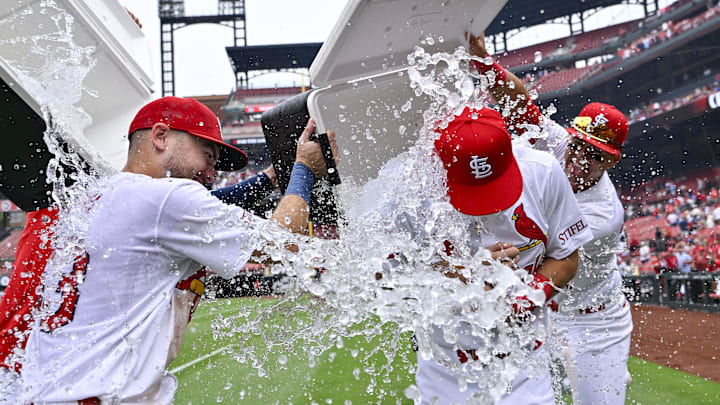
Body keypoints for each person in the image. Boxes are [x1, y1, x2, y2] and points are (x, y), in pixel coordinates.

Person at [14, 96, 338, 403]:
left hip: (51, 388)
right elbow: (283, 244)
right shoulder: (167, 198)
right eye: (207, 155)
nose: (213, 173)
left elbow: (212, 204)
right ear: (160, 136)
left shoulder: (95, 196)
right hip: (102, 396)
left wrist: (271, 177)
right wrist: (304, 170)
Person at [467, 32, 634, 405]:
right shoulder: (561, 144)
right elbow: (523, 109)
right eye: (578, 145)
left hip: (594, 320)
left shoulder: (604, 213)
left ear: (612, 161)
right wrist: (485, 64)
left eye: (595, 154)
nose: (579, 157)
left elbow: (551, 258)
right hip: (549, 307)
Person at [408, 106, 592, 404]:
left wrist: (523, 299)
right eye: (473, 190)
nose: (488, 205)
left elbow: (567, 258)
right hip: (447, 365)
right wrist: (461, 275)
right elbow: (384, 282)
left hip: (523, 358)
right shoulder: (410, 193)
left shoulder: (542, 170)